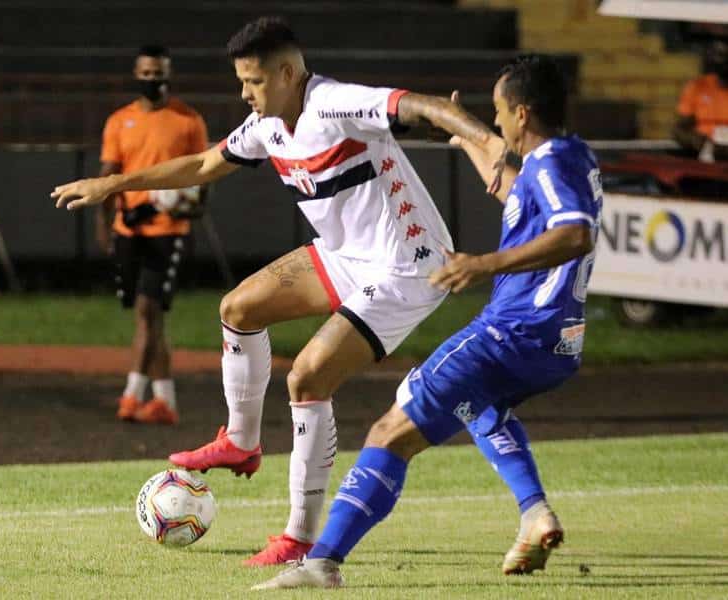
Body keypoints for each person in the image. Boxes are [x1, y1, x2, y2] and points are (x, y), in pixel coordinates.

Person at [52, 17, 493, 565]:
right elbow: (203, 163)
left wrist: (487, 141)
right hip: (344, 255)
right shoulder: (267, 125)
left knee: (306, 377)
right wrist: (114, 184)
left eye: (253, 82)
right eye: (240, 81)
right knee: (238, 308)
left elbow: (423, 106)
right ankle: (241, 441)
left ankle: (300, 537)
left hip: (407, 264)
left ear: (288, 72)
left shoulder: (336, 103)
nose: (244, 93)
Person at [253, 54, 601, 589]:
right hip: (557, 342)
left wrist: (483, 264)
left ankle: (321, 563)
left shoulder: (552, 163)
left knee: (391, 431)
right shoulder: (567, 159)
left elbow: (575, 232)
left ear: (524, 115)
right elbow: (518, 194)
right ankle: (535, 515)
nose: (498, 122)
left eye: (501, 111)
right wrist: (466, 142)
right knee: (481, 406)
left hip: (514, 331)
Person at [97, 44, 209, 426]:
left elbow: (201, 182)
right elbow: (108, 178)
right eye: (145, 73)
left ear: (169, 73)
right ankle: (165, 401)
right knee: (149, 317)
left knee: (148, 311)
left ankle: (131, 395)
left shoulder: (188, 121)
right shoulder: (119, 121)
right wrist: (104, 224)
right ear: (136, 74)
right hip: (128, 230)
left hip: (167, 232)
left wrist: (182, 205)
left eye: (157, 72)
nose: (151, 79)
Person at [674, 39, 728, 162]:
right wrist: (695, 141)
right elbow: (679, 129)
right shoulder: (697, 86)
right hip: (703, 157)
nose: (724, 61)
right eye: (720, 55)